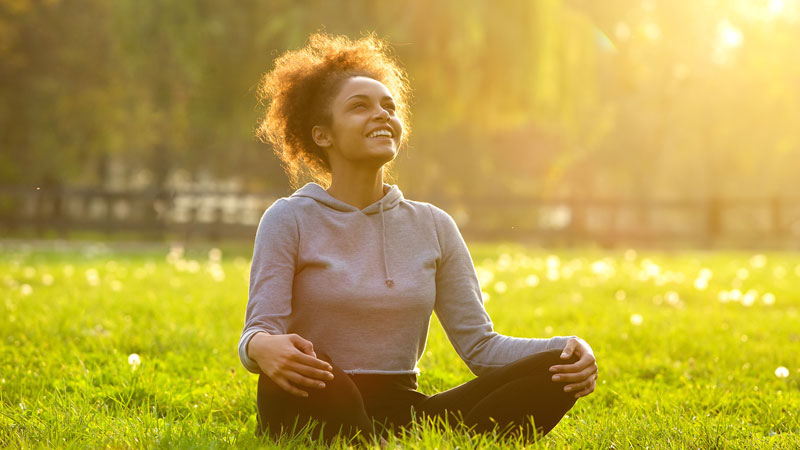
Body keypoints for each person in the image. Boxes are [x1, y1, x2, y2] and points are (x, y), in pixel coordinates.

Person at [239, 32, 598, 445]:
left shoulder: (433, 225)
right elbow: (259, 331)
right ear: (324, 135)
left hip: (403, 409)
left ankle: (373, 439)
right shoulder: (289, 218)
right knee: (321, 372)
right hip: (313, 392)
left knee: (557, 367)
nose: (381, 114)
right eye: (360, 107)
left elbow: (480, 346)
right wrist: (260, 348)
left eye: (388, 106)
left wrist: (571, 347)